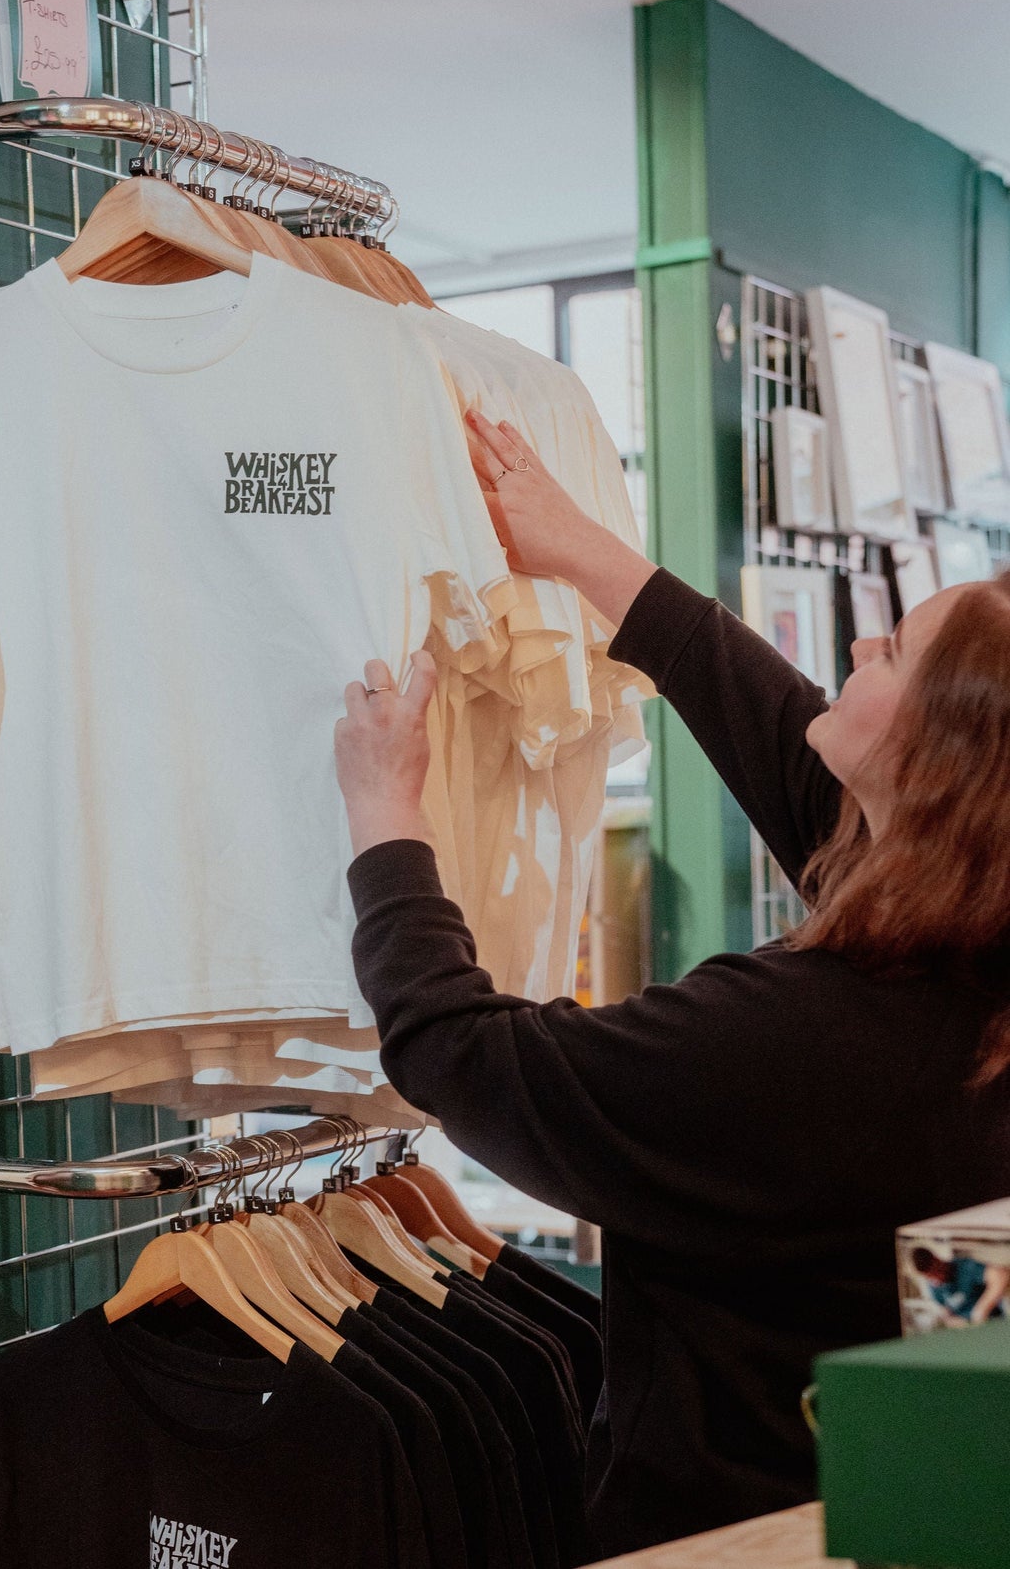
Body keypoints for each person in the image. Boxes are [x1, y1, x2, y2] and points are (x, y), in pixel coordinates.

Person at [333, 409, 1010, 1557]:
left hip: (730, 1536)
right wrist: (583, 551)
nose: (855, 650)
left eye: (890, 650)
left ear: (936, 764)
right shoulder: (971, 953)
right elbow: (792, 740)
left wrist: (385, 821)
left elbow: (464, 1053)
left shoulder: (796, 1043)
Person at [909, 1246, 1010, 1326]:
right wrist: (961, 1324)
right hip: (969, 1333)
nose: (936, 1281)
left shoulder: (965, 1267)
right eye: (929, 1278)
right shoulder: (933, 1287)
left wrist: (981, 1310)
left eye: (935, 1273)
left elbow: (1001, 1274)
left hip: (994, 1323)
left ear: (937, 1260)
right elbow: (947, 1315)